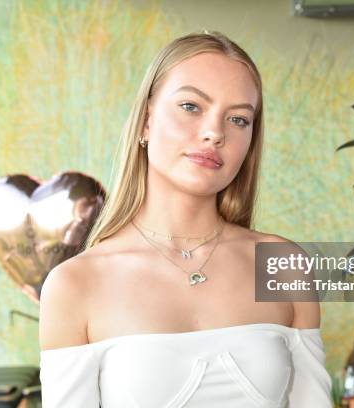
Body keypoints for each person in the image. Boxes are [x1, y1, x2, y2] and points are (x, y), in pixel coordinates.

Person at [39, 30, 332, 407]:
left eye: (239, 119)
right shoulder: (75, 284)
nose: (214, 133)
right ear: (146, 122)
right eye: (191, 106)